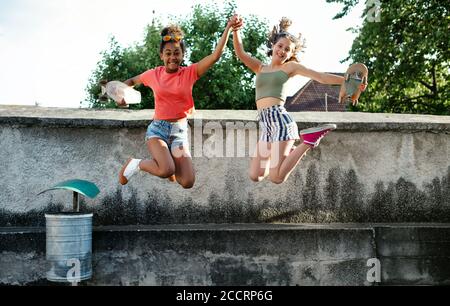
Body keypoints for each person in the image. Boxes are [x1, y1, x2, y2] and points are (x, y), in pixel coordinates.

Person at [230, 15, 367, 184]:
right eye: (280, 46)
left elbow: (320, 77)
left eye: (287, 49)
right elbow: (240, 52)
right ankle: (289, 152)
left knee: (276, 177)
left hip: (280, 121)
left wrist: (346, 81)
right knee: (256, 174)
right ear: (273, 46)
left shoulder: (290, 67)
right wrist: (235, 30)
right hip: (266, 124)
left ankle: (309, 141)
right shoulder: (260, 67)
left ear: (291, 54)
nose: (282, 51)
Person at [117, 21, 234, 189]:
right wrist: (122, 94)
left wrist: (229, 27)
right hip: (158, 131)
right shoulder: (153, 74)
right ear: (161, 55)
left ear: (183, 55)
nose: (172, 57)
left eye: (177, 53)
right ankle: (137, 164)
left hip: (179, 133)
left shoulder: (190, 73)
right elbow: (131, 81)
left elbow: (216, 55)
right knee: (165, 169)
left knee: (187, 181)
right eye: (168, 53)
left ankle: (170, 165)